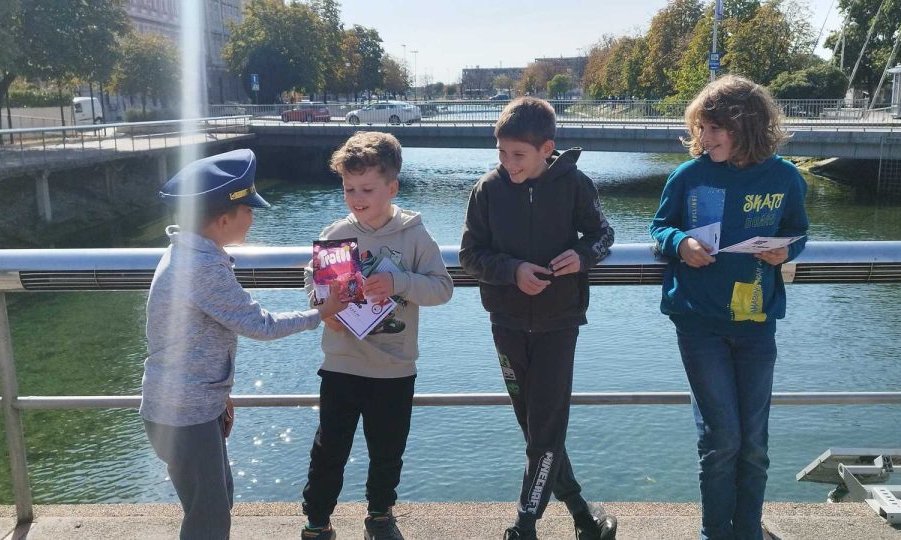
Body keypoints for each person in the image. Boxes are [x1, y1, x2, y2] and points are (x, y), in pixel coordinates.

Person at [141, 148, 347, 540]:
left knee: (215, 501)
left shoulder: (189, 253)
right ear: (223, 220)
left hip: (188, 404)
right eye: (247, 211)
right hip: (186, 413)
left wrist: (219, 396)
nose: (253, 218)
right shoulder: (201, 267)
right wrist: (321, 312)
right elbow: (260, 325)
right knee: (209, 517)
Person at [649, 75, 810, 540]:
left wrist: (786, 250)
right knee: (722, 440)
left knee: (754, 444)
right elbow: (660, 227)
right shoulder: (688, 175)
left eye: (715, 128)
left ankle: (748, 532)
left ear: (747, 126)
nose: (705, 137)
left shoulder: (784, 177)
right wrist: (680, 244)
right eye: (700, 128)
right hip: (698, 322)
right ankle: (715, 533)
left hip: (757, 322)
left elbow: (799, 231)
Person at [460, 97, 618, 540]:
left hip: (559, 324)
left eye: (518, 155)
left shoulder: (576, 185)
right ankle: (583, 517)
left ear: (547, 149)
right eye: (501, 153)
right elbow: (469, 255)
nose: (508, 164)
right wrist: (512, 271)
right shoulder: (487, 190)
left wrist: (583, 256)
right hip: (506, 325)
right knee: (536, 429)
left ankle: (524, 525)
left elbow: (604, 234)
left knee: (544, 430)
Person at [300, 132, 454, 540]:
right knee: (328, 450)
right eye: (349, 188)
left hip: (394, 368)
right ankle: (317, 520)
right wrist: (324, 308)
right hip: (341, 364)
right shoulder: (335, 233)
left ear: (392, 188)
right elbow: (312, 280)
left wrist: (399, 282)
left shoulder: (414, 235)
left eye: (367, 189)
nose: (356, 198)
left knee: (387, 452)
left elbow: (442, 288)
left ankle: (380, 514)